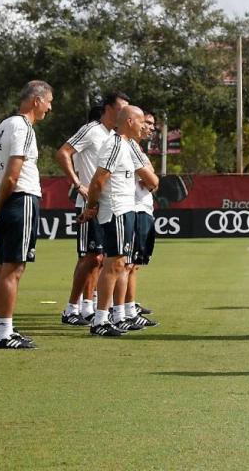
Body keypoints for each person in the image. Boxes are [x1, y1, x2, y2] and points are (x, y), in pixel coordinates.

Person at [0, 81, 53, 348]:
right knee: (14, 268)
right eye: (49, 101)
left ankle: (2, 327)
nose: (49, 108)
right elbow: (12, 174)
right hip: (20, 200)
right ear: (36, 100)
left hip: (6, 202)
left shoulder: (3, 126)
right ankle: (4, 333)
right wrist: (0, 202)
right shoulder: (23, 127)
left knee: (3, 267)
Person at [80, 106, 159, 336]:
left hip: (126, 210)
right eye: (141, 121)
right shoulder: (114, 144)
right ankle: (100, 320)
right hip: (116, 210)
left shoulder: (127, 145)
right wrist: (92, 206)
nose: (144, 126)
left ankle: (114, 316)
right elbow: (98, 180)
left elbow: (151, 179)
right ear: (130, 121)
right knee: (113, 264)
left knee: (121, 263)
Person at [54, 92, 130, 325]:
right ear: (108, 108)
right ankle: (71, 308)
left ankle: (88, 307)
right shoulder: (91, 130)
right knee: (90, 257)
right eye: (121, 108)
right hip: (89, 204)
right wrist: (78, 185)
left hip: (107, 205)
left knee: (101, 259)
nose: (124, 113)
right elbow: (63, 153)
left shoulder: (114, 136)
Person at [124, 111, 159, 329]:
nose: (150, 128)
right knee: (128, 264)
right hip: (135, 209)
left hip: (142, 208)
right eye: (147, 122)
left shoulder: (136, 148)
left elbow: (152, 179)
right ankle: (124, 311)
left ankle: (127, 307)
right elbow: (152, 180)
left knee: (133, 264)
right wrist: (151, 178)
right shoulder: (128, 146)